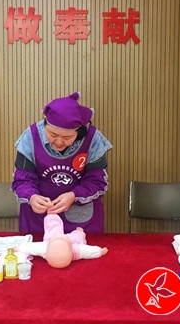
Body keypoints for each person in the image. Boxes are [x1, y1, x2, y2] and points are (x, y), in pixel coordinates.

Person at [12, 92, 112, 233]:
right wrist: (32, 197)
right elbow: (22, 179)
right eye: (52, 134)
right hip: (39, 217)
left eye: (67, 137)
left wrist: (74, 195)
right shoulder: (31, 137)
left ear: (79, 131)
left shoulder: (93, 139)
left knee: (81, 246)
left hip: (80, 218)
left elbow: (97, 181)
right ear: (45, 123)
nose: (59, 142)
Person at [15, 214, 108, 268]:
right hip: (71, 240)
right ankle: (80, 231)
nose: (61, 237)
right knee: (78, 235)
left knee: (53, 228)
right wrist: (100, 251)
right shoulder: (77, 249)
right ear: (72, 253)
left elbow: (30, 248)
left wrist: (17, 248)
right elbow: (89, 251)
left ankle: (51, 214)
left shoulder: (44, 247)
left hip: (53, 238)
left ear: (46, 254)